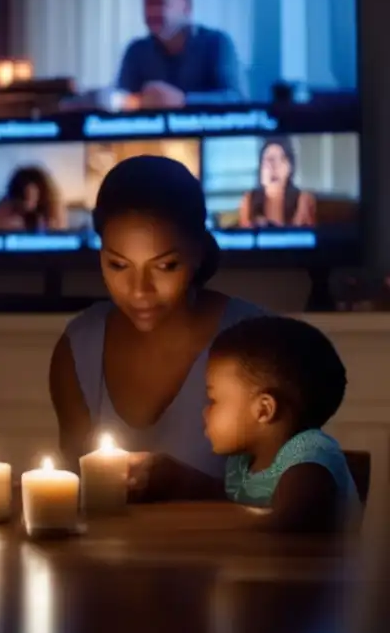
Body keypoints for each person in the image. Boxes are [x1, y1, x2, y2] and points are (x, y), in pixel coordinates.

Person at [50, 155, 264, 481]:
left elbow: (288, 507)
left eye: (165, 266)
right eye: (119, 265)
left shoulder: (259, 346)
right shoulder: (78, 350)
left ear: (198, 252)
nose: (140, 291)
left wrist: (184, 484)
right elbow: (71, 493)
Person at [131, 315, 359, 533]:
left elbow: (284, 520)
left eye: (213, 400)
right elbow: (235, 503)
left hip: (310, 573)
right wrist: (178, 478)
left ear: (263, 409)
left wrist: (179, 524)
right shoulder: (243, 463)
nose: (205, 411)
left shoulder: (311, 456)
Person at [116, 0, 244, 109]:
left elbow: (236, 99)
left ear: (187, 5)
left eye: (161, 2)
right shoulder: (136, 50)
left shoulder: (217, 42)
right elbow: (121, 99)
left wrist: (183, 101)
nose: (152, 11)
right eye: (148, 3)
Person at [237, 137, 317, 228]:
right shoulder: (249, 199)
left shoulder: (303, 199)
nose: (274, 167)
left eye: (281, 159)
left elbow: (306, 237)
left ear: (290, 167)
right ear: (261, 168)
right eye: (269, 159)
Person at [0, 165, 67, 232]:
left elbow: (61, 232)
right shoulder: (7, 204)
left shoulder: (53, 204)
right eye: (25, 195)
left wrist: (45, 227)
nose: (29, 202)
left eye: (33, 195)